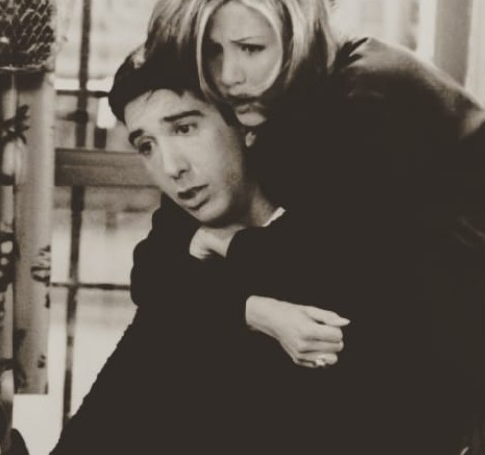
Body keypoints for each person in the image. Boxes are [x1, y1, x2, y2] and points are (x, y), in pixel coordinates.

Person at [112, 0, 485, 453]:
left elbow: (327, 268)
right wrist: (254, 310)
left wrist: (229, 246)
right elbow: (153, 270)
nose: (229, 76)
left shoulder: (362, 99)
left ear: (297, 33)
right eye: (212, 52)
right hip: (458, 361)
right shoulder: (268, 114)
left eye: (251, 48)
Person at [51, 50, 353, 454]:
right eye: (146, 145)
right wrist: (256, 312)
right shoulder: (182, 223)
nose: (171, 167)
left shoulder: (328, 222)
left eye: (184, 128)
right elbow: (148, 277)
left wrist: (226, 248)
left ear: (244, 123)